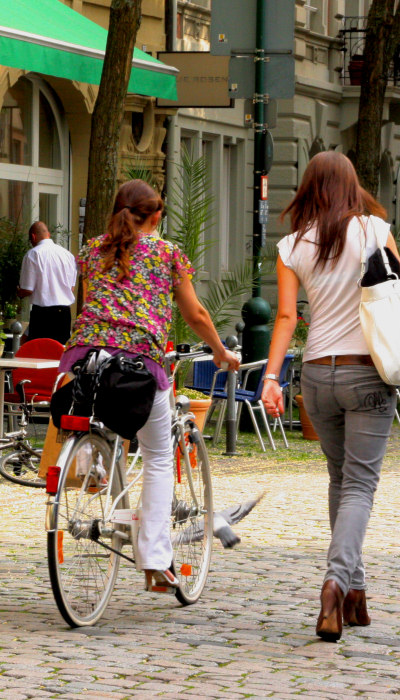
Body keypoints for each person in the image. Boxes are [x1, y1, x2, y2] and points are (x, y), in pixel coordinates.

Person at [261, 152, 400, 642]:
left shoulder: (292, 245)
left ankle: (355, 595)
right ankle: (335, 585)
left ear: (309, 188)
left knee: (341, 481)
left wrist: (271, 378)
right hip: (367, 375)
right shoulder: (373, 230)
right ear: (351, 186)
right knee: (360, 485)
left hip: (318, 376)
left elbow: (285, 318)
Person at [57, 179, 239, 591]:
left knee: (101, 418)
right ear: (156, 217)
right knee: (158, 456)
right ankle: (154, 559)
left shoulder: (90, 251)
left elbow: (89, 306)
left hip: (85, 360)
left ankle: (95, 462)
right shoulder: (166, 253)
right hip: (139, 364)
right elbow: (195, 313)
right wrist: (220, 352)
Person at [17, 221, 77, 344]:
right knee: (58, 355)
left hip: (42, 314)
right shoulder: (68, 256)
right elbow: (71, 288)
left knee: (37, 353)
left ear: (33, 237)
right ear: (48, 234)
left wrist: (19, 292)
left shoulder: (33, 254)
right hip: (64, 313)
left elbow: (28, 288)